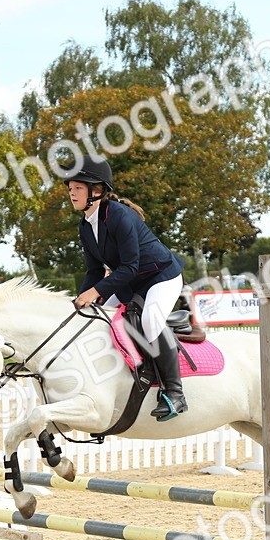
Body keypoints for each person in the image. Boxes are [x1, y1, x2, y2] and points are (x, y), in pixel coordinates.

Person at [68, 155, 188, 420]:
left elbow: (130, 266)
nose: (71, 193)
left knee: (151, 320)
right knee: (96, 319)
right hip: (128, 281)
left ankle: (175, 393)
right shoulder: (86, 225)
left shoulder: (119, 216)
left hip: (161, 277)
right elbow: (95, 271)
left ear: (96, 191)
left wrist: (96, 292)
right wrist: (80, 300)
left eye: (77, 188)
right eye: (70, 188)